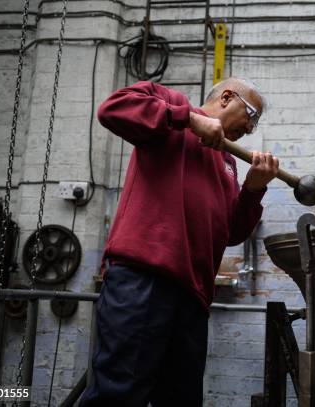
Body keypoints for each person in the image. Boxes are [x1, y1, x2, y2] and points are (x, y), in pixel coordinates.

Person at [79, 78, 279, 406]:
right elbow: (112, 110)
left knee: (181, 400)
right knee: (118, 395)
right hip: (144, 281)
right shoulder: (171, 108)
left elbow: (231, 233)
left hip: (193, 296)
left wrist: (253, 188)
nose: (251, 128)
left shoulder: (228, 162)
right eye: (251, 116)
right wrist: (187, 117)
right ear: (227, 97)